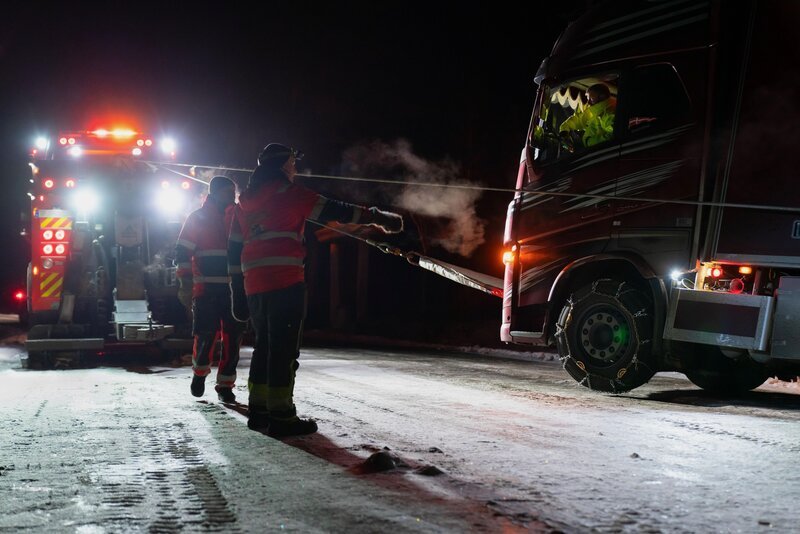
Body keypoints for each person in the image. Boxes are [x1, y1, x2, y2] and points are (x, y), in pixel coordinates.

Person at [228, 143, 403, 437]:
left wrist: (236, 291)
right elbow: (337, 211)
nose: (295, 169)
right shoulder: (291, 194)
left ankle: (258, 412)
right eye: (293, 163)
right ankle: (282, 416)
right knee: (283, 351)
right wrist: (379, 217)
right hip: (285, 283)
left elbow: (233, 250)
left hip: (254, 285)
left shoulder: (243, 203)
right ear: (285, 165)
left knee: (265, 348)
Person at [176, 176, 244, 403]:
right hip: (206, 289)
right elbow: (182, 251)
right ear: (214, 193)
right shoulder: (197, 218)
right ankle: (199, 373)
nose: (232, 196)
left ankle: (225, 386)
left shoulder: (239, 215)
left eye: (233, 192)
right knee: (206, 336)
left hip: (235, 290)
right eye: (228, 192)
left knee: (233, 339)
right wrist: (185, 282)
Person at [559, 83, 616, 148]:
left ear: (602, 96)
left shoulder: (609, 113)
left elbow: (613, 135)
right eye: (588, 99)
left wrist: (588, 142)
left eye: (591, 99)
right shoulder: (595, 111)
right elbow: (577, 121)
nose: (588, 102)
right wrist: (564, 131)